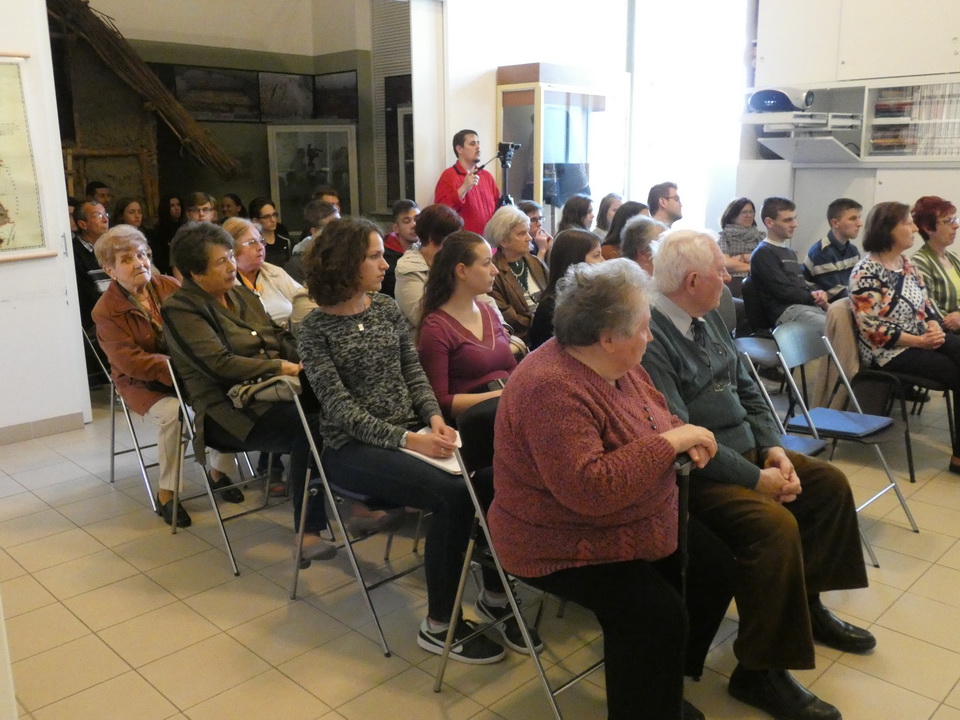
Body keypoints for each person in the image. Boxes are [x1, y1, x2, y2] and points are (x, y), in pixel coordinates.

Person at [642, 229, 874, 720]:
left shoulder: (708, 313)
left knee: (828, 486)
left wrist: (774, 448)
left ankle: (807, 607)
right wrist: (755, 478)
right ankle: (759, 670)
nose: (729, 278)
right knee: (773, 526)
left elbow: (747, 384)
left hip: (747, 450)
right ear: (691, 281)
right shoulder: (652, 338)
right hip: (699, 474)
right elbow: (683, 434)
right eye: (720, 271)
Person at [490, 258, 735, 720]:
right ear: (607, 337)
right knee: (656, 615)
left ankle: (660, 684)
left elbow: (657, 416)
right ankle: (649, 700)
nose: (651, 336)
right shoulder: (551, 388)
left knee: (714, 569)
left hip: (634, 512)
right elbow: (589, 489)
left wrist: (680, 433)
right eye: (643, 328)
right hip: (558, 537)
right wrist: (671, 443)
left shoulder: (619, 363)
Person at [297, 216, 507, 664]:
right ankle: (439, 625)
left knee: (490, 477)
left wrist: (434, 418)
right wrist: (409, 440)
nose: (385, 264)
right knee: (454, 495)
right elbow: (340, 409)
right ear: (346, 263)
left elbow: (413, 373)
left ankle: (495, 593)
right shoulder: (314, 329)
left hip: (411, 431)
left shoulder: (384, 307)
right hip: (351, 449)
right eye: (375, 256)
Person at [161, 222, 334, 562]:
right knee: (312, 429)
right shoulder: (181, 309)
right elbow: (219, 364)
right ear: (195, 272)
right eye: (221, 262)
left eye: (231, 257)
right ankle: (308, 532)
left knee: (337, 407)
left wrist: (309, 357)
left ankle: (359, 500)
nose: (231, 266)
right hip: (229, 412)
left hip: (275, 393)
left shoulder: (240, 294)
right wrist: (279, 367)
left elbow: (276, 335)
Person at [91, 225, 238, 527]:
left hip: (186, 374)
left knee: (224, 395)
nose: (139, 263)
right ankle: (167, 493)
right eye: (127, 259)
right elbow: (129, 362)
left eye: (142, 255)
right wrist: (179, 366)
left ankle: (218, 471)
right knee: (176, 414)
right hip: (142, 383)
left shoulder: (169, 285)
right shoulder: (105, 311)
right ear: (110, 270)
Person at [850, 201, 960, 474]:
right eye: (908, 223)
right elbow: (872, 329)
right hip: (890, 351)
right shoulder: (866, 271)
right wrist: (920, 341)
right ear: (888, 229)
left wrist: (934, 325)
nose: (914, 229)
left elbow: (925, 303)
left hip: (922, 338)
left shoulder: (906, 264)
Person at [418, 231, 516, 419]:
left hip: (509, 407)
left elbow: (512, 368)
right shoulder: (436, 328)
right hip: (477, 419)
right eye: (486, 263)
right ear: (462, 271)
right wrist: (503, 396)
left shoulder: (488, 311)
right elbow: (440, 402)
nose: (495, 270)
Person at [222, 217, 315, 333]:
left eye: (261, 241)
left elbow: (305, 301)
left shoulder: (274, 272)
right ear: (232, 249)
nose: (260, 247)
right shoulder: (224, 282)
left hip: (289, 337)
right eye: (252, 243)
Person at [750, 197, 829, 331]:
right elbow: (784, 292)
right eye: (788, 220)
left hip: (806, 308)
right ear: (769, 222)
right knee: (836, 329)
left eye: (794, 218)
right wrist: (813, 296)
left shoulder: (790, 252)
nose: (795, 224)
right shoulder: (763, 253)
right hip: (786, 312)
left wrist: (817, 293)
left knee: (850, 324)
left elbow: (799, 287)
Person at [528, 229, 604, 349]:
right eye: (596, 255)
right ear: (576, 260)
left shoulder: (593, 296)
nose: (603, 261)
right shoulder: (550, 307)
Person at [395, 204, 464, 328]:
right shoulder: (408, 270)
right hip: (429, 337)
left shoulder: (455, 259)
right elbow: (424, 319)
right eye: (452, 240)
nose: (457, 246)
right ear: (432, 239)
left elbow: (484, 299)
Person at [485, 205, 548, 340]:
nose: (529, 238)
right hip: (524, 338)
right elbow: (509, 317)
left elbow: (552, 294)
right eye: (522, 234)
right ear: (503, 241)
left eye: (527, 232)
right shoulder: (493, 272)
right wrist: (541, 321)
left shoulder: (535, 262)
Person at [434, 129, 498, 234]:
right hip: (464, 241)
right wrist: (463, 189)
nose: (478, 147)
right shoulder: (449, 176)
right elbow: (440, 213)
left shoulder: (487, 176)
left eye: (478, 143)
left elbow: (498, 206)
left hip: (488, 241)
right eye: (472, 144)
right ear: (459, 149)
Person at [910, 195, 960, 331]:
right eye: (948, 221)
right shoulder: (919, 262)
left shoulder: (953, 257)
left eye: (955, 219)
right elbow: (930, 309)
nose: (956, 226)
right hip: (946, 333)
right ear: (928, 228)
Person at [803, 198, 863, 300]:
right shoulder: (821, 252)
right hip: (819, 306)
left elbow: (857, 285)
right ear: (835, 223)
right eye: (853, 219)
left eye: (859, 218)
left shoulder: (853, 251)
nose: (860, 223)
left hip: (842, 303)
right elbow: (837, 295)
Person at [73, 200, 112, 329]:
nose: (105, 220)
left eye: (106, 214)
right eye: (98, 216)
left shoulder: (112, 249)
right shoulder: (74, 253)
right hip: (96, 324)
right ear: (83, 224)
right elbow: (87, 297)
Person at [717, 197, 764, 296]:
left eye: (751, 212)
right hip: (733, 280)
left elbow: (766, 261)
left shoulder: (761, 237)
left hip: (759, 279)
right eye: (744, 212)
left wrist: (738, 258)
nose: (749, 215)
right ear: (732, 216)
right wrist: (751, 264)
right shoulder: (723, 236)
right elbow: (724, 263)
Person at [286, 200, 340, 284]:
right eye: (331, 228)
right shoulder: (297, 265)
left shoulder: (346, 254)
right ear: (314, 232)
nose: (339, 231)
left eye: (340, 225)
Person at [382, 199, 419, 298]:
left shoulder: (426, 247)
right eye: (407, 221)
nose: (414, 225)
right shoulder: (385, 255)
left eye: (417, 219)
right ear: (396, 228)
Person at [248, 197, 293, 267]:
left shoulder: (286, 242)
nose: (273, 220)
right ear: (255, 220)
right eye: (267, 217)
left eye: (274, 215)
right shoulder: (252, 245)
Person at [150, 195, 183, 275]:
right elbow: (160, 258)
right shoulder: (158, 232)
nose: (177, 208)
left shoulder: (185, 227)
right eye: (172, 206)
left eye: (178, 205)